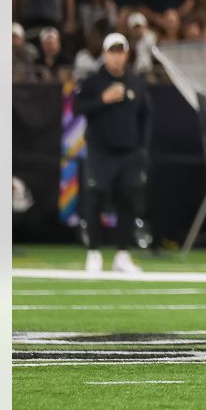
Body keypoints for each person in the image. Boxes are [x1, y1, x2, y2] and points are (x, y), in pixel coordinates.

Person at [72, 32, 150, 274]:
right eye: (112, 52)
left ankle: (122, 255)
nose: (116, 57)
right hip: (100, 152)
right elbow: (77, 108)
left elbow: (146, 116)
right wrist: (103, 99)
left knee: (128, 201)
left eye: (120, 51)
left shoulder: (136, 82)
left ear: (126, 54)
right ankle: (94, 253)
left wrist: (142, 149)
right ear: (105, 54)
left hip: (128, 154)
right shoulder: (93, 81)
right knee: (94, 200)